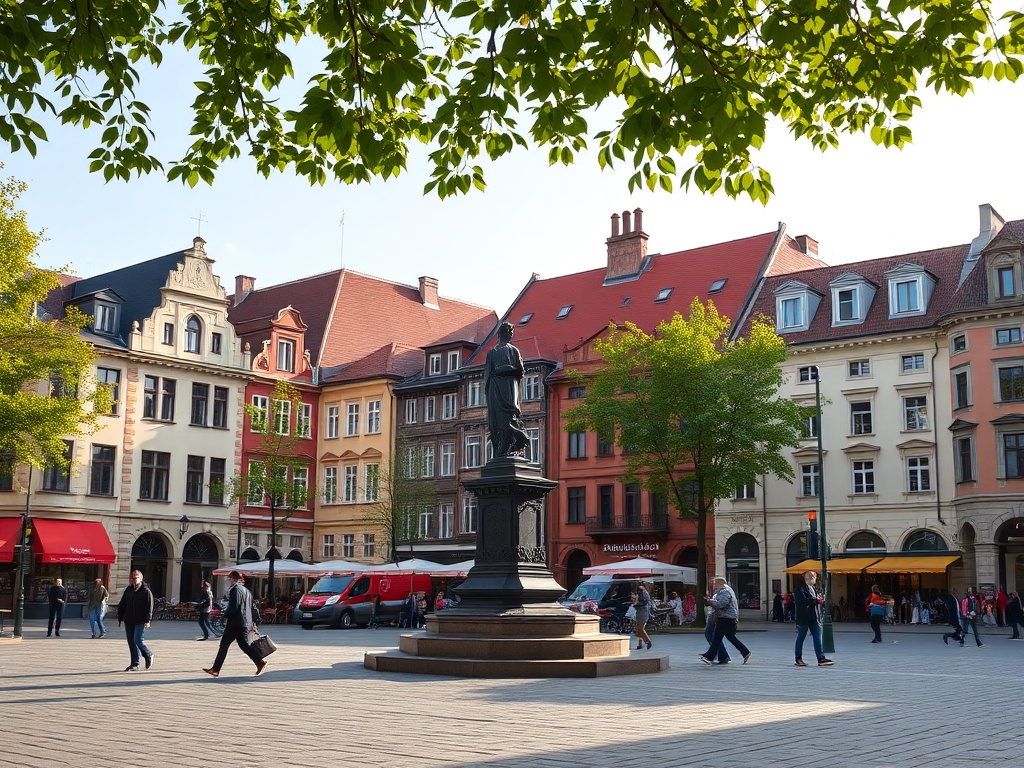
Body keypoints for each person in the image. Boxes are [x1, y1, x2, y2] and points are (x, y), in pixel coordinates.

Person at [203, 571, 267, 677]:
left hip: (235, 622)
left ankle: (216, 669)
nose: (228, 580)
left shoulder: (235, 589)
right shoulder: (246, 590)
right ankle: (260, 662)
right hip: (244, 622)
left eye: (228, 578)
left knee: (224, 644)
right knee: (243, 645)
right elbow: (253, 607)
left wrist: (224, 617)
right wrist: (254, 622)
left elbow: (234, 606)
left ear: (232, 578)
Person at [483, 321, 529, 457]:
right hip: (495, 390)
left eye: (511, 333)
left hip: (509, 389)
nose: (511, 335)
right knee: (497, 422)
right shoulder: (492, 353)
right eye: (509, 333)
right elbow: (488, 375)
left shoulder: (514, 351)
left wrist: (505, 370)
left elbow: (520, 371)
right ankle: (500, 450)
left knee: (508, 417)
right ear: (501, 334)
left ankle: (516, 441)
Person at [699, 576, 751, 665]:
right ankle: (745, 652)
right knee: (730, 638)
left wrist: (710, 601)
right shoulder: (721, 592)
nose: (714, 585)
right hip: (727, 618)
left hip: (725, 618)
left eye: (715, 583)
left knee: (716, 638)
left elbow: (721, 604)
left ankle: (708, 657)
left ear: (720, 583)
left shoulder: (724, 592)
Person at [116, 570, 154, 671]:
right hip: (129, 619)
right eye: (132, 578)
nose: (133, 580)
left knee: (137, 639)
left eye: (136, 578)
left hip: (140, 619)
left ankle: (148, 653)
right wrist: (120, 616)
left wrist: (147, 620)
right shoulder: (129, 590)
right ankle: (135, 663)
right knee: (131, 641)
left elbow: (149, 606)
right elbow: (123, 603)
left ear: (141, 579)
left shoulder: (145, 591)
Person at [794, 570, 833, 667]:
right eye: (814, 577)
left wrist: (818, 600)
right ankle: (798, 658)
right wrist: (815, 600)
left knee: (817, 637)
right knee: (801, 637)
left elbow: (812, 601)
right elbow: (803, 602)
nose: (815, 579)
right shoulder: (800, 589)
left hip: (814, 616)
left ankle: (821, 658)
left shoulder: (813, 588)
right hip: (804, 617)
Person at [632, 583, 653, 650]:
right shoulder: (642, 592)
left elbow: (643, 602)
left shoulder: (642, 592)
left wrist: (635, 604)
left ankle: (648, 641)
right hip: (640, 612)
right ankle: (640, 644)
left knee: (640, 629)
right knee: (638, 629)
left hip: (643, 613)